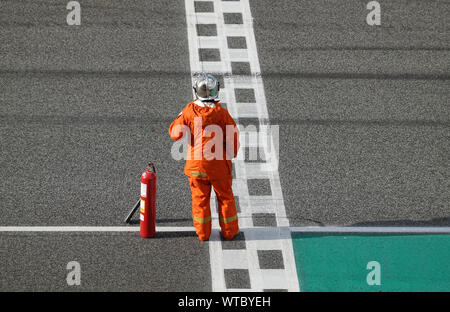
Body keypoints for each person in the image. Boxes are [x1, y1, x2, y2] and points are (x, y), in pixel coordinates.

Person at [169, 74, 240, 241]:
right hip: (218, 167)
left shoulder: (189, 111)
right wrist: (231, 154)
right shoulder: (222, 114)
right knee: (225, 198)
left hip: (196, 167)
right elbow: (233, 139)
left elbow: (174, 134)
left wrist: (181, 116)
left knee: (200, 200)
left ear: (197, 91)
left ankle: (203, 233)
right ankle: (229, 232)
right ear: (216, 91)